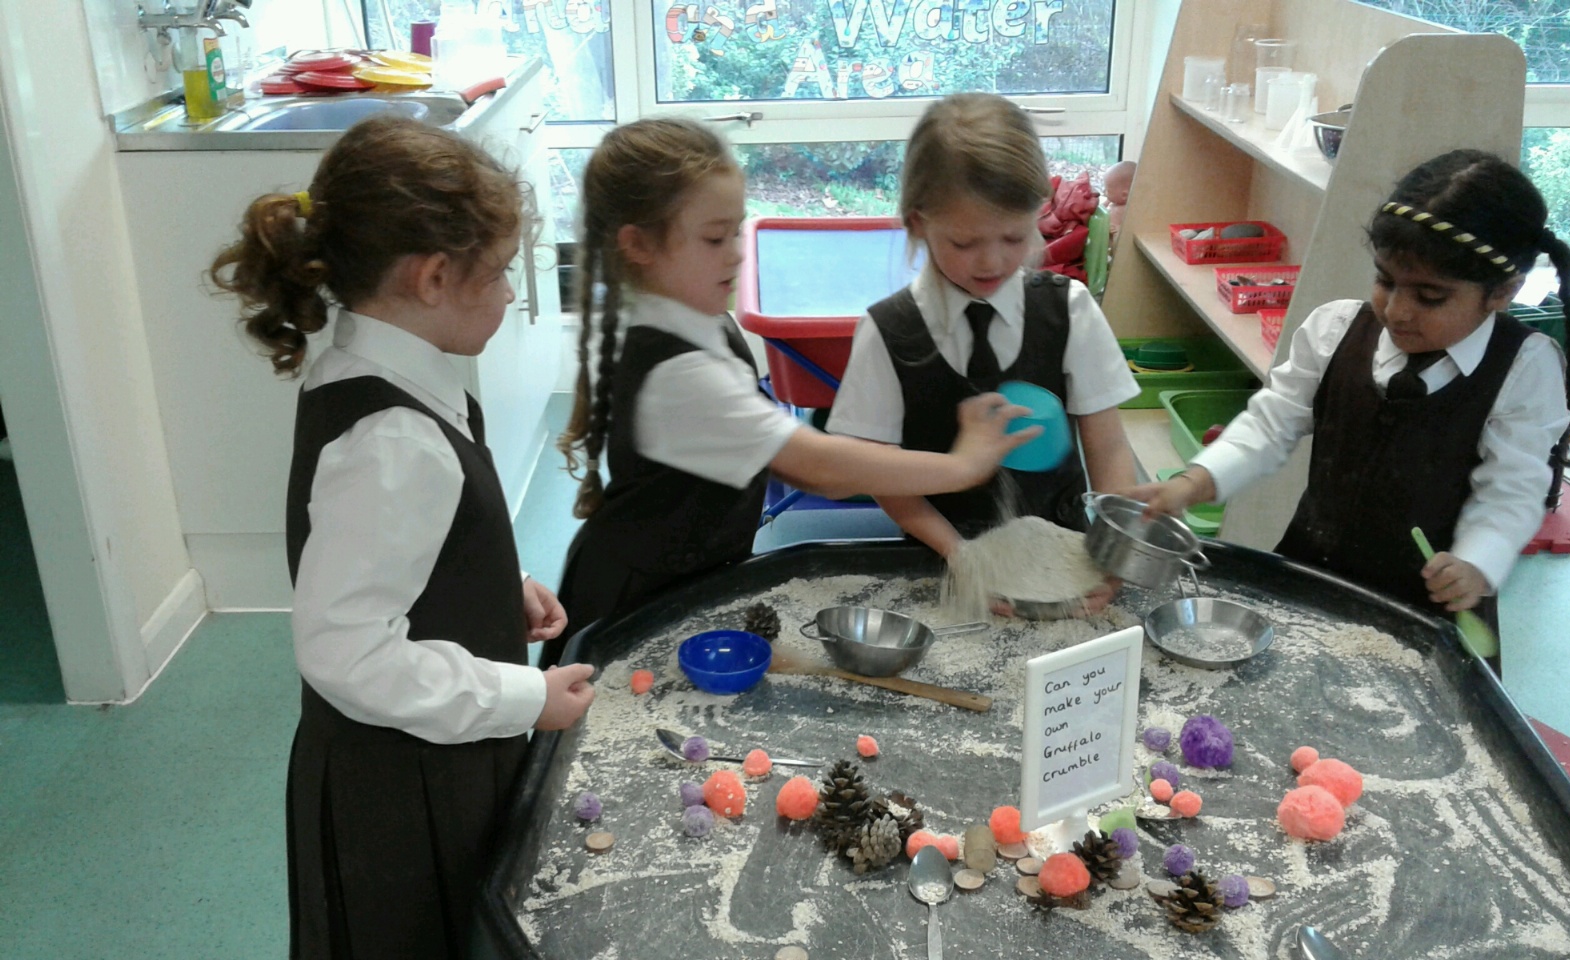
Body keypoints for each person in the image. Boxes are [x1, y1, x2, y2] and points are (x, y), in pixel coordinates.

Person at [210, 115, 597, 959]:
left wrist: (493, 586)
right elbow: (345, 651)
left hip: (425, 750)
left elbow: (400, 548)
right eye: (498, 272)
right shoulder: (394, 437)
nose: (510, 294)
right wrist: (526, 698)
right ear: (433, 278)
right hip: (406, 785)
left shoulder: (375, 371)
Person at [551, 117, 1038, 661]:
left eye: (737, 230)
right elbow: (818, 469)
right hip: (633, 605)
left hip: (680, 578)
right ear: (638, 245)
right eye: (714, 238)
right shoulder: (678, 375)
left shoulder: (685, 311)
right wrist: (962, 466)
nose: (737, 253)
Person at [1133, 149, 1570, 621]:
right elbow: (1269, 425)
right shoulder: (1334, 330)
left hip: (1426, 609)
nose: (1397, 311)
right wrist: (1198, 479)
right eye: (1385, 281)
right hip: (1310, 578)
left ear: (1503, 291)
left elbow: (1512, 490)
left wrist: (1476, 562)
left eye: (1430, 296)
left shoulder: (1524, 367)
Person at [827, 93, 1140, 611]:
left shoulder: (1069, 311)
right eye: (965, 243)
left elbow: (1108, 449)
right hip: (940, 561)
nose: (991, 262)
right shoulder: (888, 332)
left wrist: (1113, 547)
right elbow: (879, 474)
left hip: (1066, 557)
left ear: (1038, 213)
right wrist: (963, 558)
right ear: (917, 223)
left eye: (1013, 238)